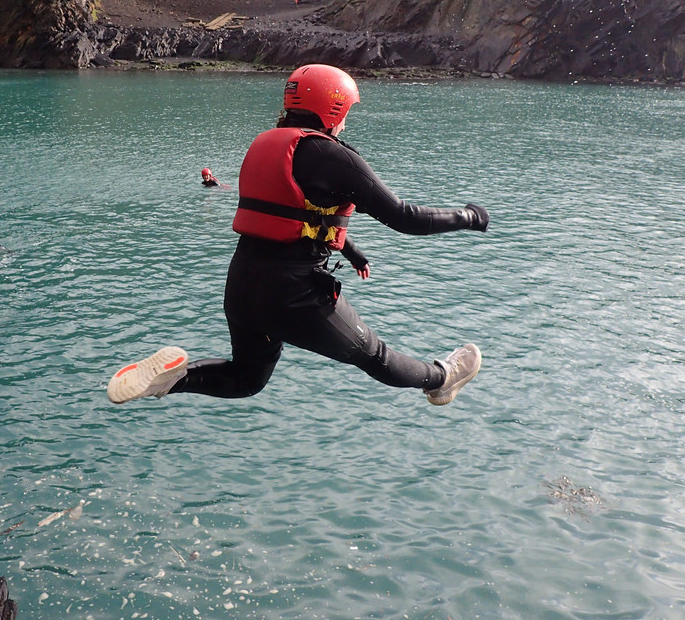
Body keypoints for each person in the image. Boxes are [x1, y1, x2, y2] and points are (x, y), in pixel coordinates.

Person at [107, 64, 490, 408]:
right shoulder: (330, 154)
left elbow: (296, 213)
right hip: (293, 294)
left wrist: (353, 252)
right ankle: (443, 379)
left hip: (242, 285)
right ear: (333, 108)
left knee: (246, 379)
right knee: (375, 356)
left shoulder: (267, 145)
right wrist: (469, 216)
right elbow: (406, 218)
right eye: (347, 112)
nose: (345, 124)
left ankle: (172, 381)